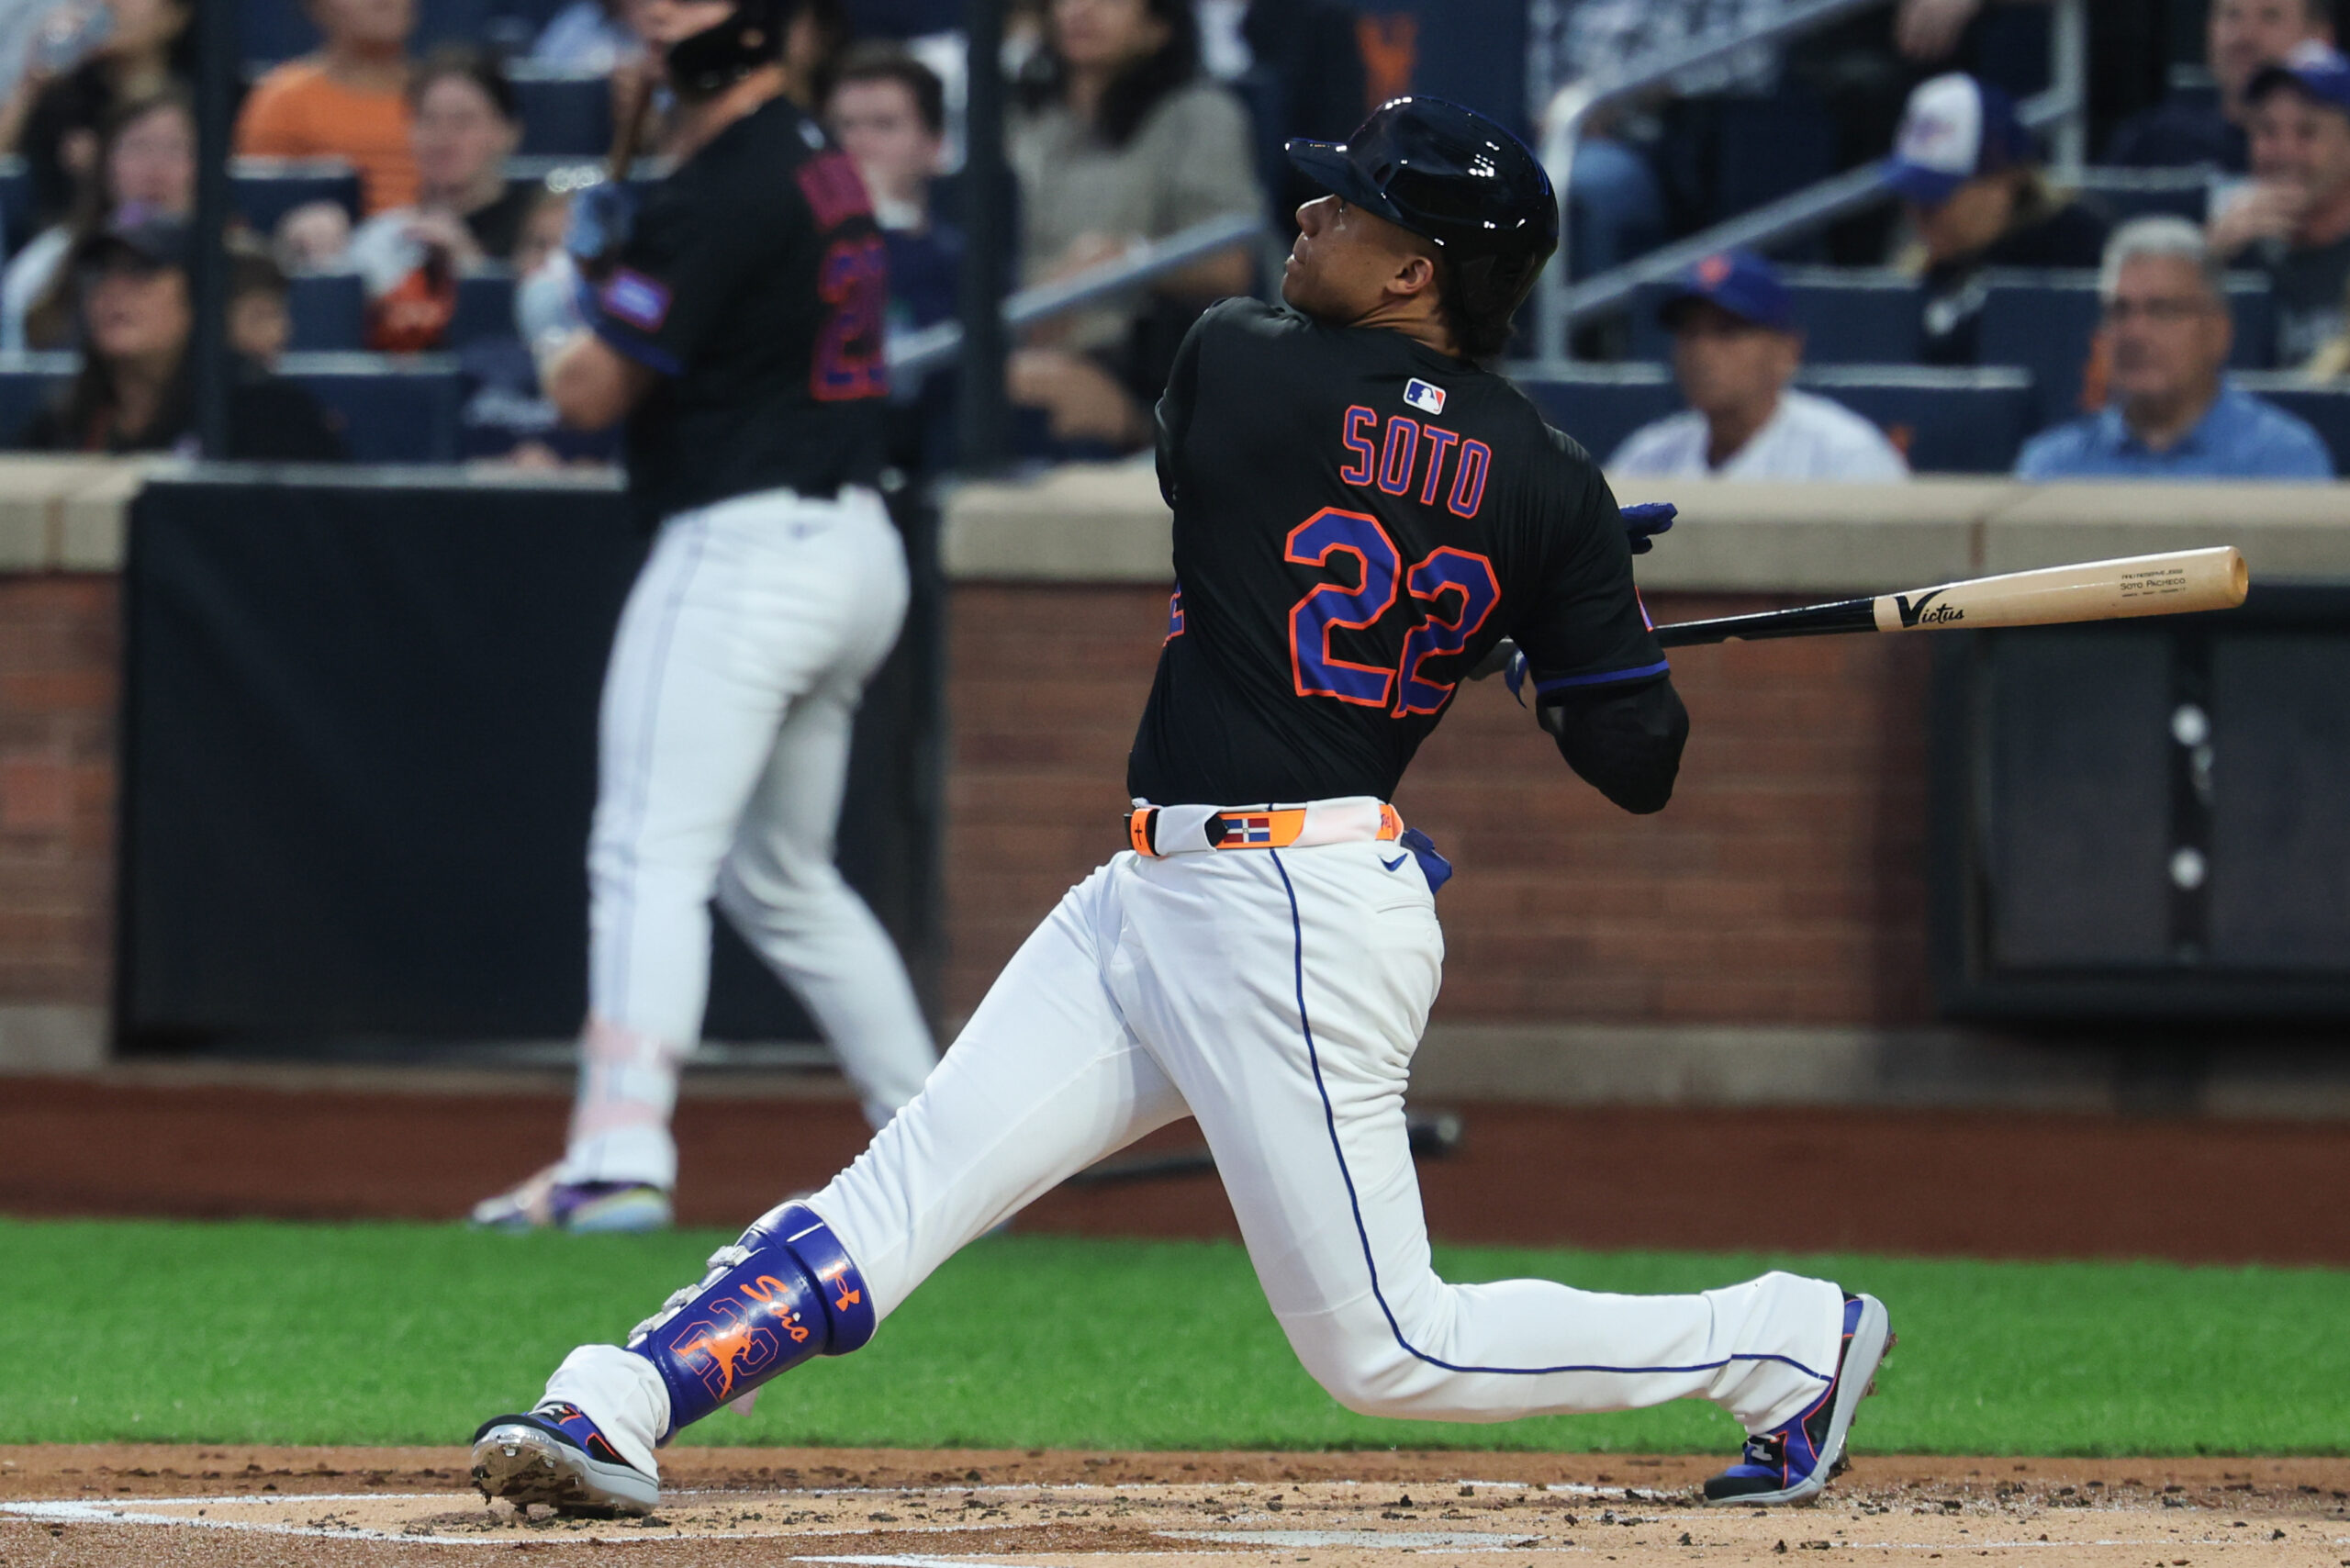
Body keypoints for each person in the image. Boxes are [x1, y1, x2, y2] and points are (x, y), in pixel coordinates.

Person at [468, 95, 1894, 1522]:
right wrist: (1567, 618)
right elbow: (1636, 752)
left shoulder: (1240, 363)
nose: (1308, 216)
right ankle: (620, 1397)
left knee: (1387, 1350)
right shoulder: (1549, 482)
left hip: (1293, 913)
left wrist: (1523, 599)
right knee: (908, 1181)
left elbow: (1290, 500)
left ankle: (1783, 1339)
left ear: (1418, 272)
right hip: (1158, 896)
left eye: (1349, 209)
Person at [468, 0, 938, 1236]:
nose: (656, 24)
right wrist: (634, 215)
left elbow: (585, 391)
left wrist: (568, 283)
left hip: (743, 550)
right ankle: (939, 1138)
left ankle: (619, 1155)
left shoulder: (718, 187)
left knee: (648, 855)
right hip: (851, 545)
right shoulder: (809, 155)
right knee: (781, 875)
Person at [1005, 0, 1264, 452]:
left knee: (1006, 393)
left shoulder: (1199, 114)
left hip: (1136, 358)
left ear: (1157, 26)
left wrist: (1120, 260)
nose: (1079, 11)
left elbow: (1230, 263)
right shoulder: (1020, 121)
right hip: (1018, 339)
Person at [2016, 216, 2333, 477]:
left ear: (2217, 332)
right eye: (2119, 310)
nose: (2135, 332)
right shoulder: (2052, 469)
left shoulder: (2283, 462)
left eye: (2162, 310)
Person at [15, 212, 345, 459]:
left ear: (195, 295)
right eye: (100, 272)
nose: (112, 290)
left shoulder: (266, 414)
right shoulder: (64, 424)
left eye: (140, 271)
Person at [1610, 250, 1910, 480]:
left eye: (1727, 331)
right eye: (1689, 333)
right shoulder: (1648, 456)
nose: (1702, 350)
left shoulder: (1844, 455)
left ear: (1787, 352)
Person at [1889, 73, 2109, 364]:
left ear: (2005, 182)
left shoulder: (2075, 256)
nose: (1916, 212)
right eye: (1913, 195)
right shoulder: (1921, 275)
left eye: (1935, 197)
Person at [337, 47, 531, 352]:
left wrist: (472, 271)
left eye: (463, 121)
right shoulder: (383, 237)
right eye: (429, 121)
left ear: (507, 133)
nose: (444, 138)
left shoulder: (538, 230)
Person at [5, 85, 190, 351]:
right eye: (139, 147)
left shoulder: (236, 259)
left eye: (175, 149)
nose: (156, 168)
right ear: (105, 163)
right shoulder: (47, 264)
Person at [2209, 42, 2350, 365]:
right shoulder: (2232, 251)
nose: (2284, 152)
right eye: (2267, 131)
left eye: (2307, 132)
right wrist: (2210, 258)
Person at [8, 0, 190, 231]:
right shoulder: (60, 100)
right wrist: (30, 84)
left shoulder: (210, 98)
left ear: (174, 18)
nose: (112, 4)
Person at [233, 0, 420, 215]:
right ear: (316, 7)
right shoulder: (284, 101)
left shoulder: (447, 99)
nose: (384, 3)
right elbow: (257, 214)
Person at [2105, 0, 2333, 173]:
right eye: (2232, 15)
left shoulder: (2340, 152)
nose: (2244, 37)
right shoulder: (2152, 144)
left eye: (2270, 17)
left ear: (2319, 37)